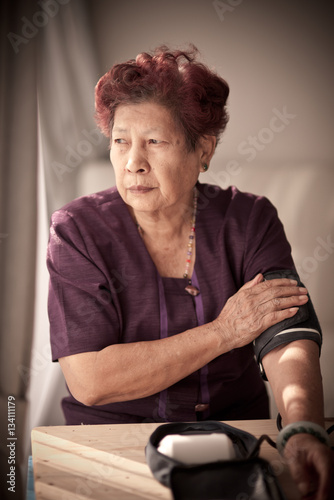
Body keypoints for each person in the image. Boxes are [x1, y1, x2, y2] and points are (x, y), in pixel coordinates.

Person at [47, 46, 333, 498]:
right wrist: (224, 332)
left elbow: (287, 332)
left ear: (204, 149)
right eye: (121, 140)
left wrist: (302, 428)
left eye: (154, 141)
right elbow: (90, 381)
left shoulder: (250, 219)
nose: (132, 162)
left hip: (236, 437)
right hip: (111, 444)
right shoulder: (77, 232)